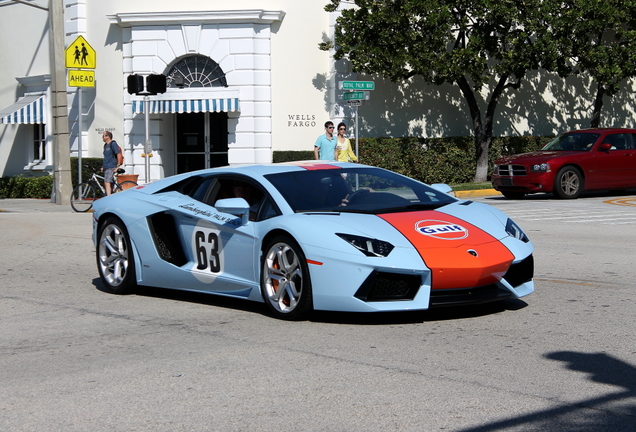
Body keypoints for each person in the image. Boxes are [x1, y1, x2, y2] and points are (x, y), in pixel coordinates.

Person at [101, 131, 123, 196]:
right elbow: (106, 157)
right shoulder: (105, 145)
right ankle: (112, 194)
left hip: (111, 166)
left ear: (108, 137)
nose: (102, 137)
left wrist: (118, 166)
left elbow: (118, 154)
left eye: (104, 135)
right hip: (106, 166)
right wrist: (103, 166)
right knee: (109, 182)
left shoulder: (113, 144)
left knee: (107, 182)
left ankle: (108, 197)